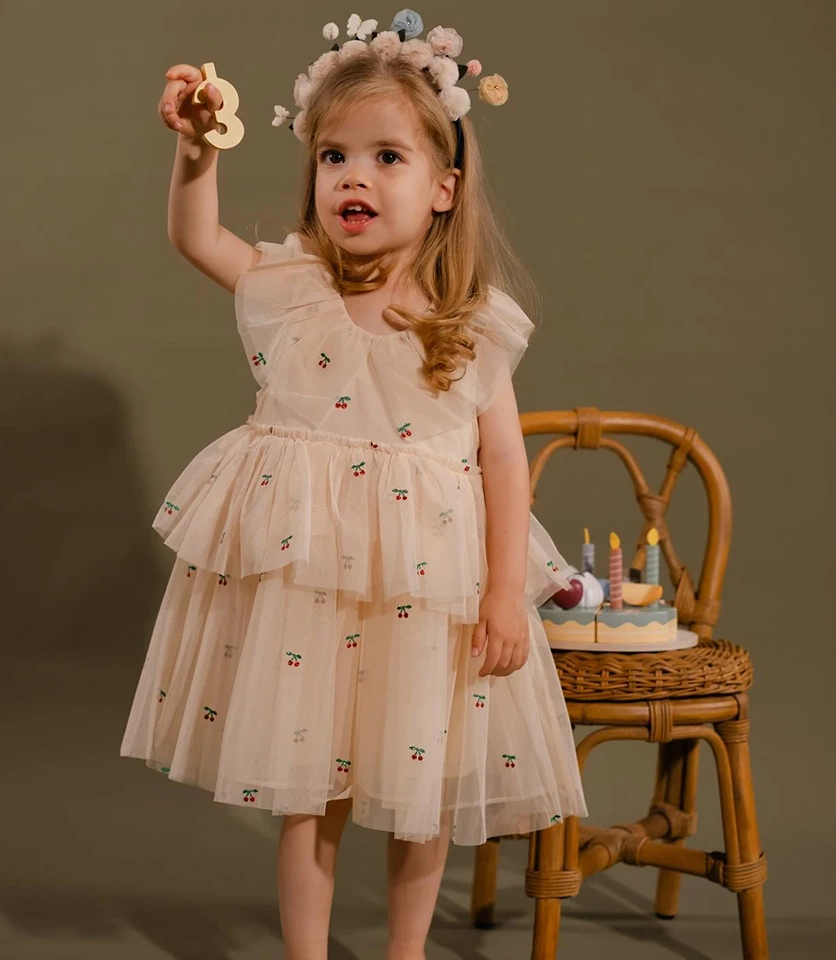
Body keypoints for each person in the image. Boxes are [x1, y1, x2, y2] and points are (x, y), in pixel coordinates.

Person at [121, 11, 587, 959]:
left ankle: (404, 953)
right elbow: (195, 236)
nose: (355, 178)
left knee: (417, 792)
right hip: (313, 587)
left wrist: (505, 590)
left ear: (444, 188)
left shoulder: (469, 322)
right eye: (334, 158)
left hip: (430, 590)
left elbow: (503, 460)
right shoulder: (291, 287)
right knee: (311, 794)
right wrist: (196, 149)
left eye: (386, 157)